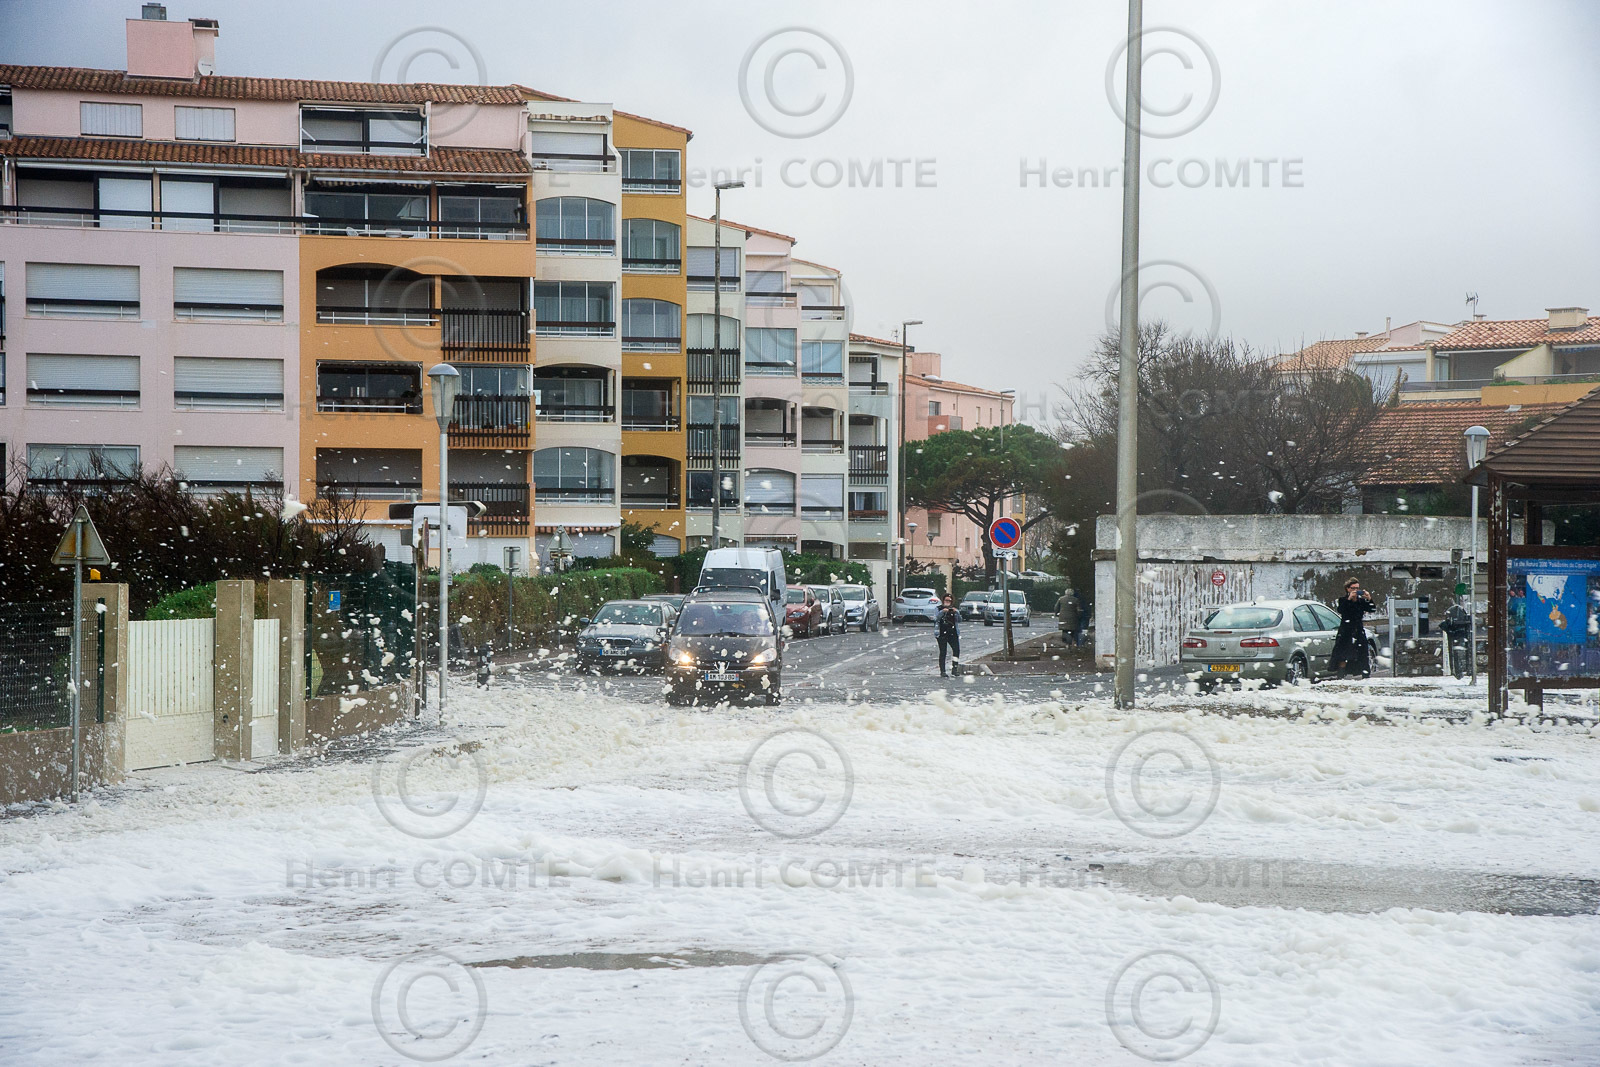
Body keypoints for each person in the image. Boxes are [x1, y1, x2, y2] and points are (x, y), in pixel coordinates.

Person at [1328, 578, 1377, 678]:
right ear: (1347, 589)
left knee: (1362, 655)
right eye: (1353, 588)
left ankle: (1365, 676)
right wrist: (1349, 599)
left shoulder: (1361, 601)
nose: (1355, 590)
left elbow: (1372, 609)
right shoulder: (1343, 600)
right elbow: (1341, 610)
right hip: (1346, 632)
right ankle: (1341, 676)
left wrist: (1369, 598)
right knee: (1343, 656)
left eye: (1357, 588)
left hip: (1358, 631)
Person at [935, 594, 961, 677]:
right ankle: (942, 671)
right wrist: (942, 612)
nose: (947, 602)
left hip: (953, 632)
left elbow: (960, 620)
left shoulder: (954, 610)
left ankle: (954, 669)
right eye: (946, 600)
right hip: (941, 632)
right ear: (943, 601)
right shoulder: (938, 609)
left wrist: (956, 612)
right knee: (943, 652)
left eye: (949, 601)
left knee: (956, 650)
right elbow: (935, 618)